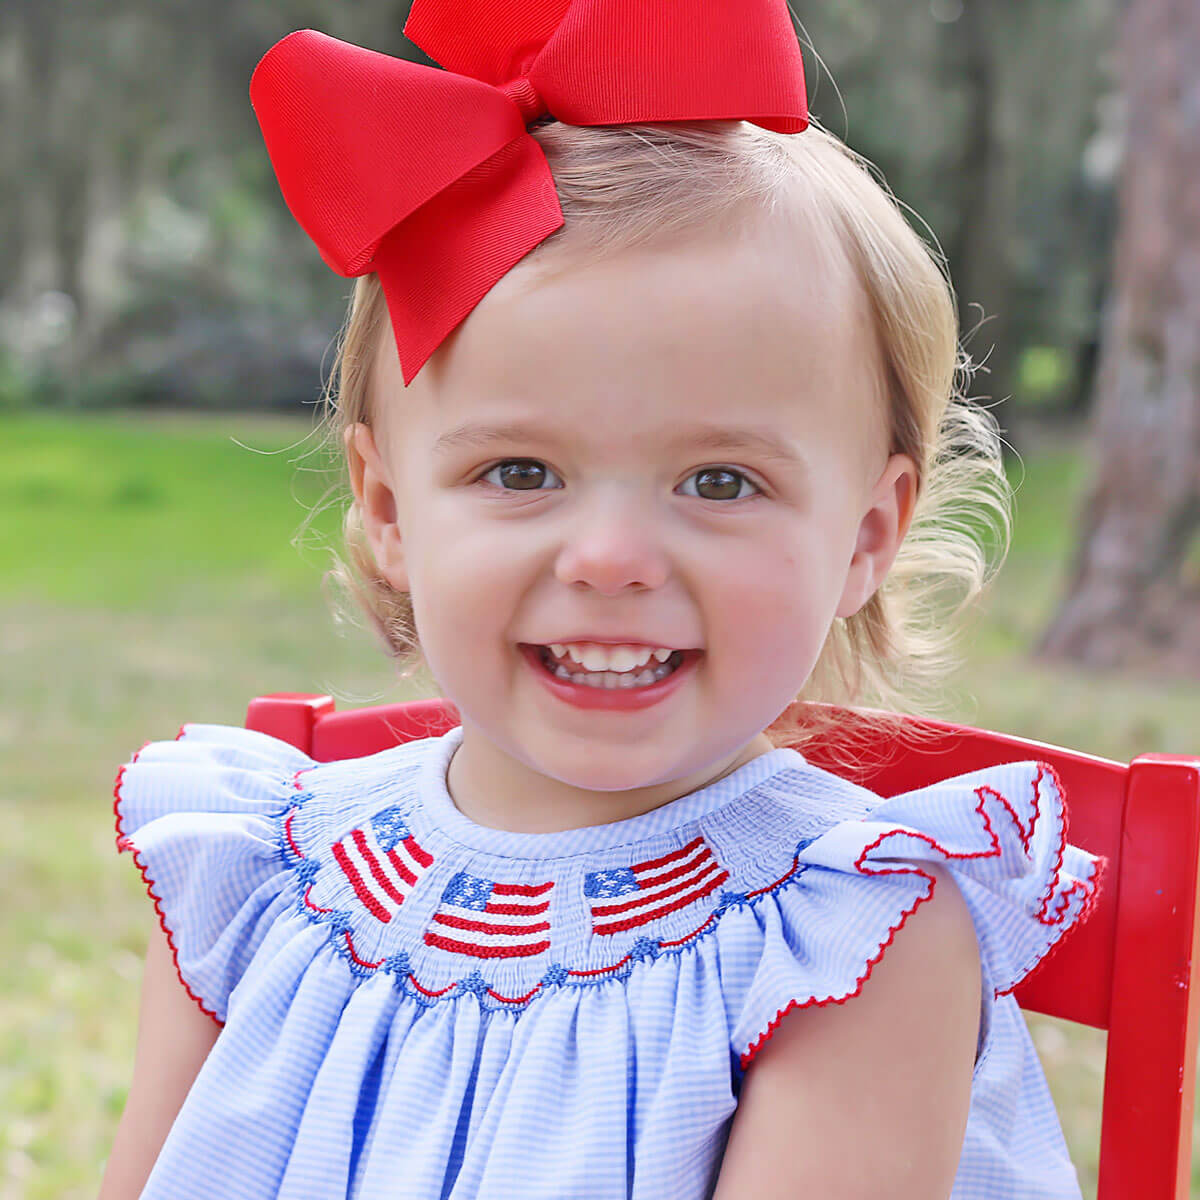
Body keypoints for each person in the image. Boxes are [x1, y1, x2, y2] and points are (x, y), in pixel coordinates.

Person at [99, 4, 1104, 1198]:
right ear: (386, 508)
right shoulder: (261, 873)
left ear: (865, 536)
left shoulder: (849, 935)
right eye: (520, 473)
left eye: (720, 481)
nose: (613, 557)